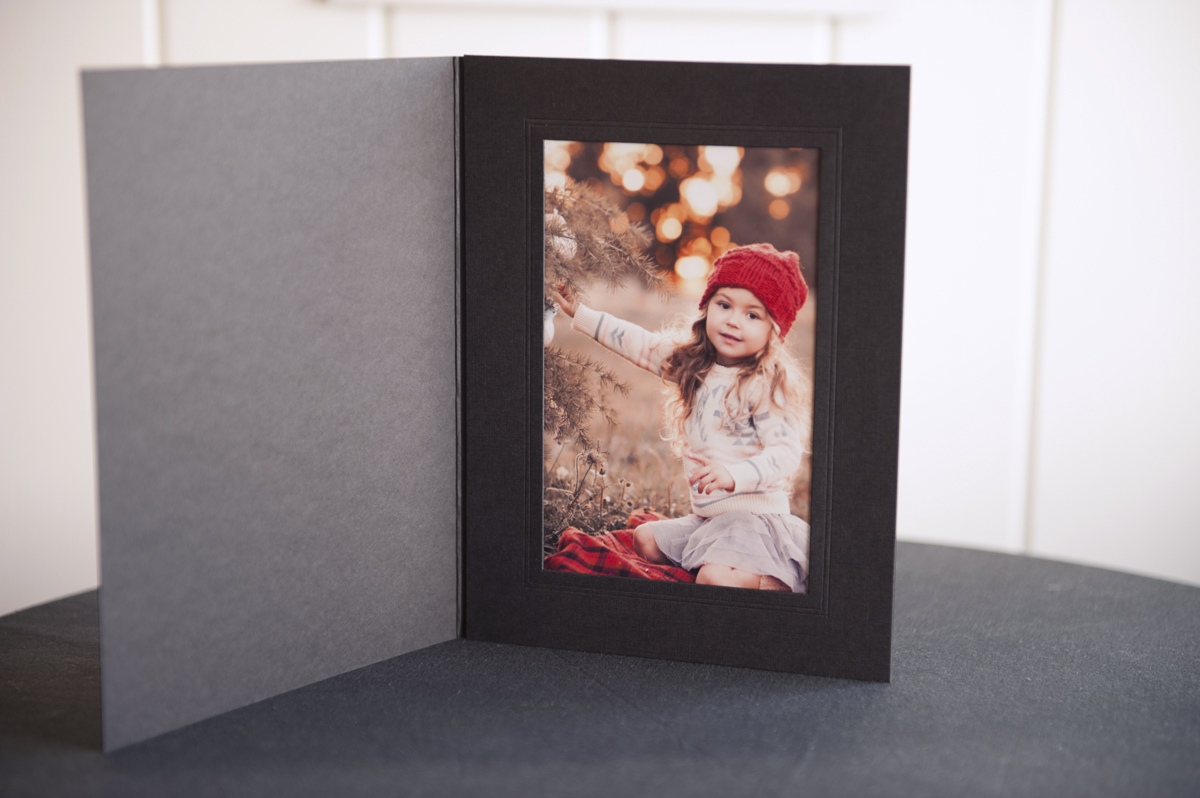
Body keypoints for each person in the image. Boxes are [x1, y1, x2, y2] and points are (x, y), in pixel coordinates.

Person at [551, 243, 811, 592]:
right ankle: (721, 563)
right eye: (724, 305)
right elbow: (638, 343)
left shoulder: (765, 384)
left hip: (755, 521)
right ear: (707, 308)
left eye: (753, 314)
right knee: (645, 539)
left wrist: (734, 475)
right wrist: (579, 313)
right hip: (711, 518)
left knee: (712, 578)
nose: (734, 320)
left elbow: (785, 454)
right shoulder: (694, 364)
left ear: (773, 331)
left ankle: (783, 583)